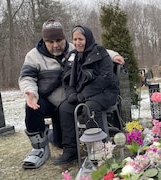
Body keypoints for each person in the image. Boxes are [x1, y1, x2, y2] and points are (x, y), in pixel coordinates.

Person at [18, 19, 124, 169]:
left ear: (64, 39)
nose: (56, 45)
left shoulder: (73, 48)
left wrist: (114, 55)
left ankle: (97, 148)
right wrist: (30, 93)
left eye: (59, 40)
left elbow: (96, 50)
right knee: (33, 108)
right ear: (44, 41)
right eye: (50, 41)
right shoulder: (33, 56)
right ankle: (39, 148)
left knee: (64, 129)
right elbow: (27, 77)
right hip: (50, 99)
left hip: (72, 99)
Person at [54, 25, 120, 165]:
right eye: (75, 39)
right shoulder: (72, 56)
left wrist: (84, 94)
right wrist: (71, 93)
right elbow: (66, 78)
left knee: (89, 108)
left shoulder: (100, 52)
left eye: (81, 39)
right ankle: (71, 150)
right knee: (64, 108)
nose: (78, 42)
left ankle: (98, 150)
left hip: (104, 92)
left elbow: (106, 77)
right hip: (81, 95)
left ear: (88, 39)